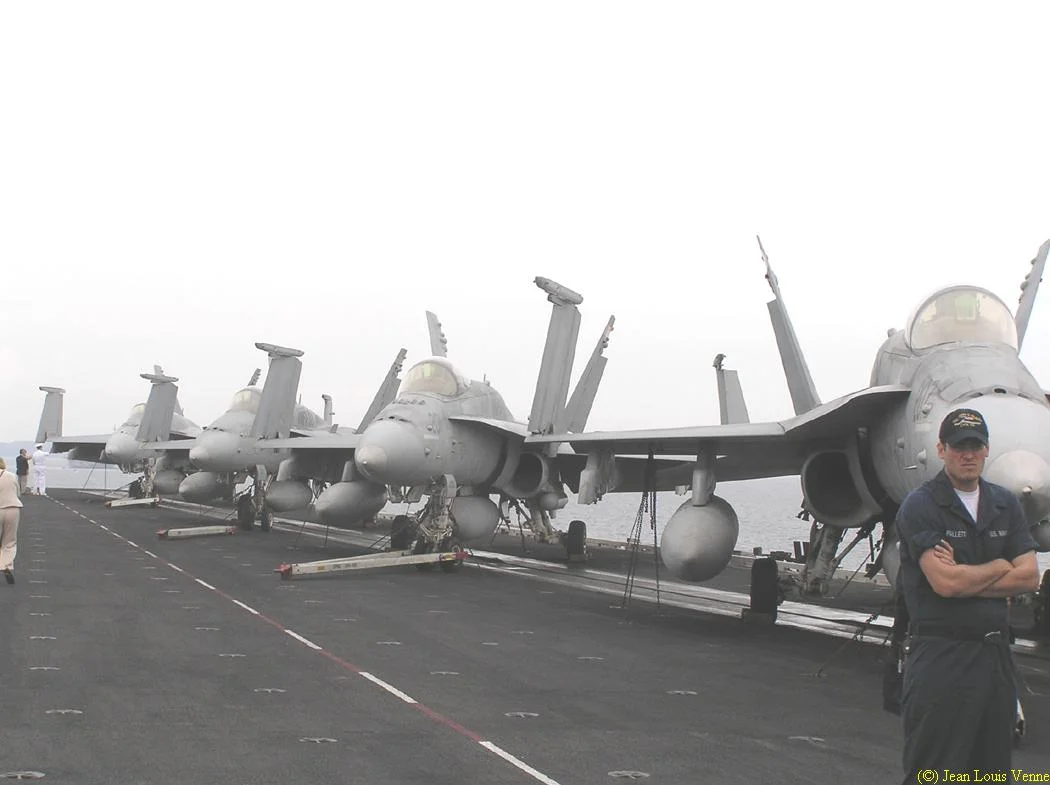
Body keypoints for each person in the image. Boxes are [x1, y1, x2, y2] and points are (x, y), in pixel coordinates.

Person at [895, 408, 1040, 781]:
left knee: (992, 773)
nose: (968, 454)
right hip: (942, 657)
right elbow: (946, 584)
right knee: (935, 772)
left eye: (975, 446)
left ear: (986, 449)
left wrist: (966, 575)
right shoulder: (922, 505)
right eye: (959, 446)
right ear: (941, 450)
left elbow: (1029, 577)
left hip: (995, 659)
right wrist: (999, 566)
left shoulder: (1004, 503)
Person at [0, 457, 23, 584]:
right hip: (12, 509)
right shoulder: (11, 476)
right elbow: (18, 493)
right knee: (9, 541)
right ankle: (5, 565)